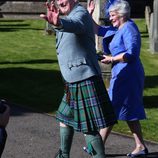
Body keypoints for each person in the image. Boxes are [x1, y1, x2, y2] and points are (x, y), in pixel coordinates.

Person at [40, 0, 117, 157]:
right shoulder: (72, 14)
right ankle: (64, 154)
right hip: (73, 80)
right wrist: (60, 22)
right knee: (64, 117)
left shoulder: (79, 14)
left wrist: (59, 23)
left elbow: (75, 24)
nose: (60, 1)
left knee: (88, 127)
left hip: (83, 79)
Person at [87, 0, 148, 157]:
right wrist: (89, 13)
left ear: (121, 14)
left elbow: (131, 54)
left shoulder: (129, 28)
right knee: (126, 110)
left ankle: (97, 146)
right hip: (121, 74)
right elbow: (98, 29)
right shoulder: (118, 28)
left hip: (129, 74)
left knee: (112, 108)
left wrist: (112, 59)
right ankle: (140, 146)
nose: (110, 17)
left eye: (112, 15)